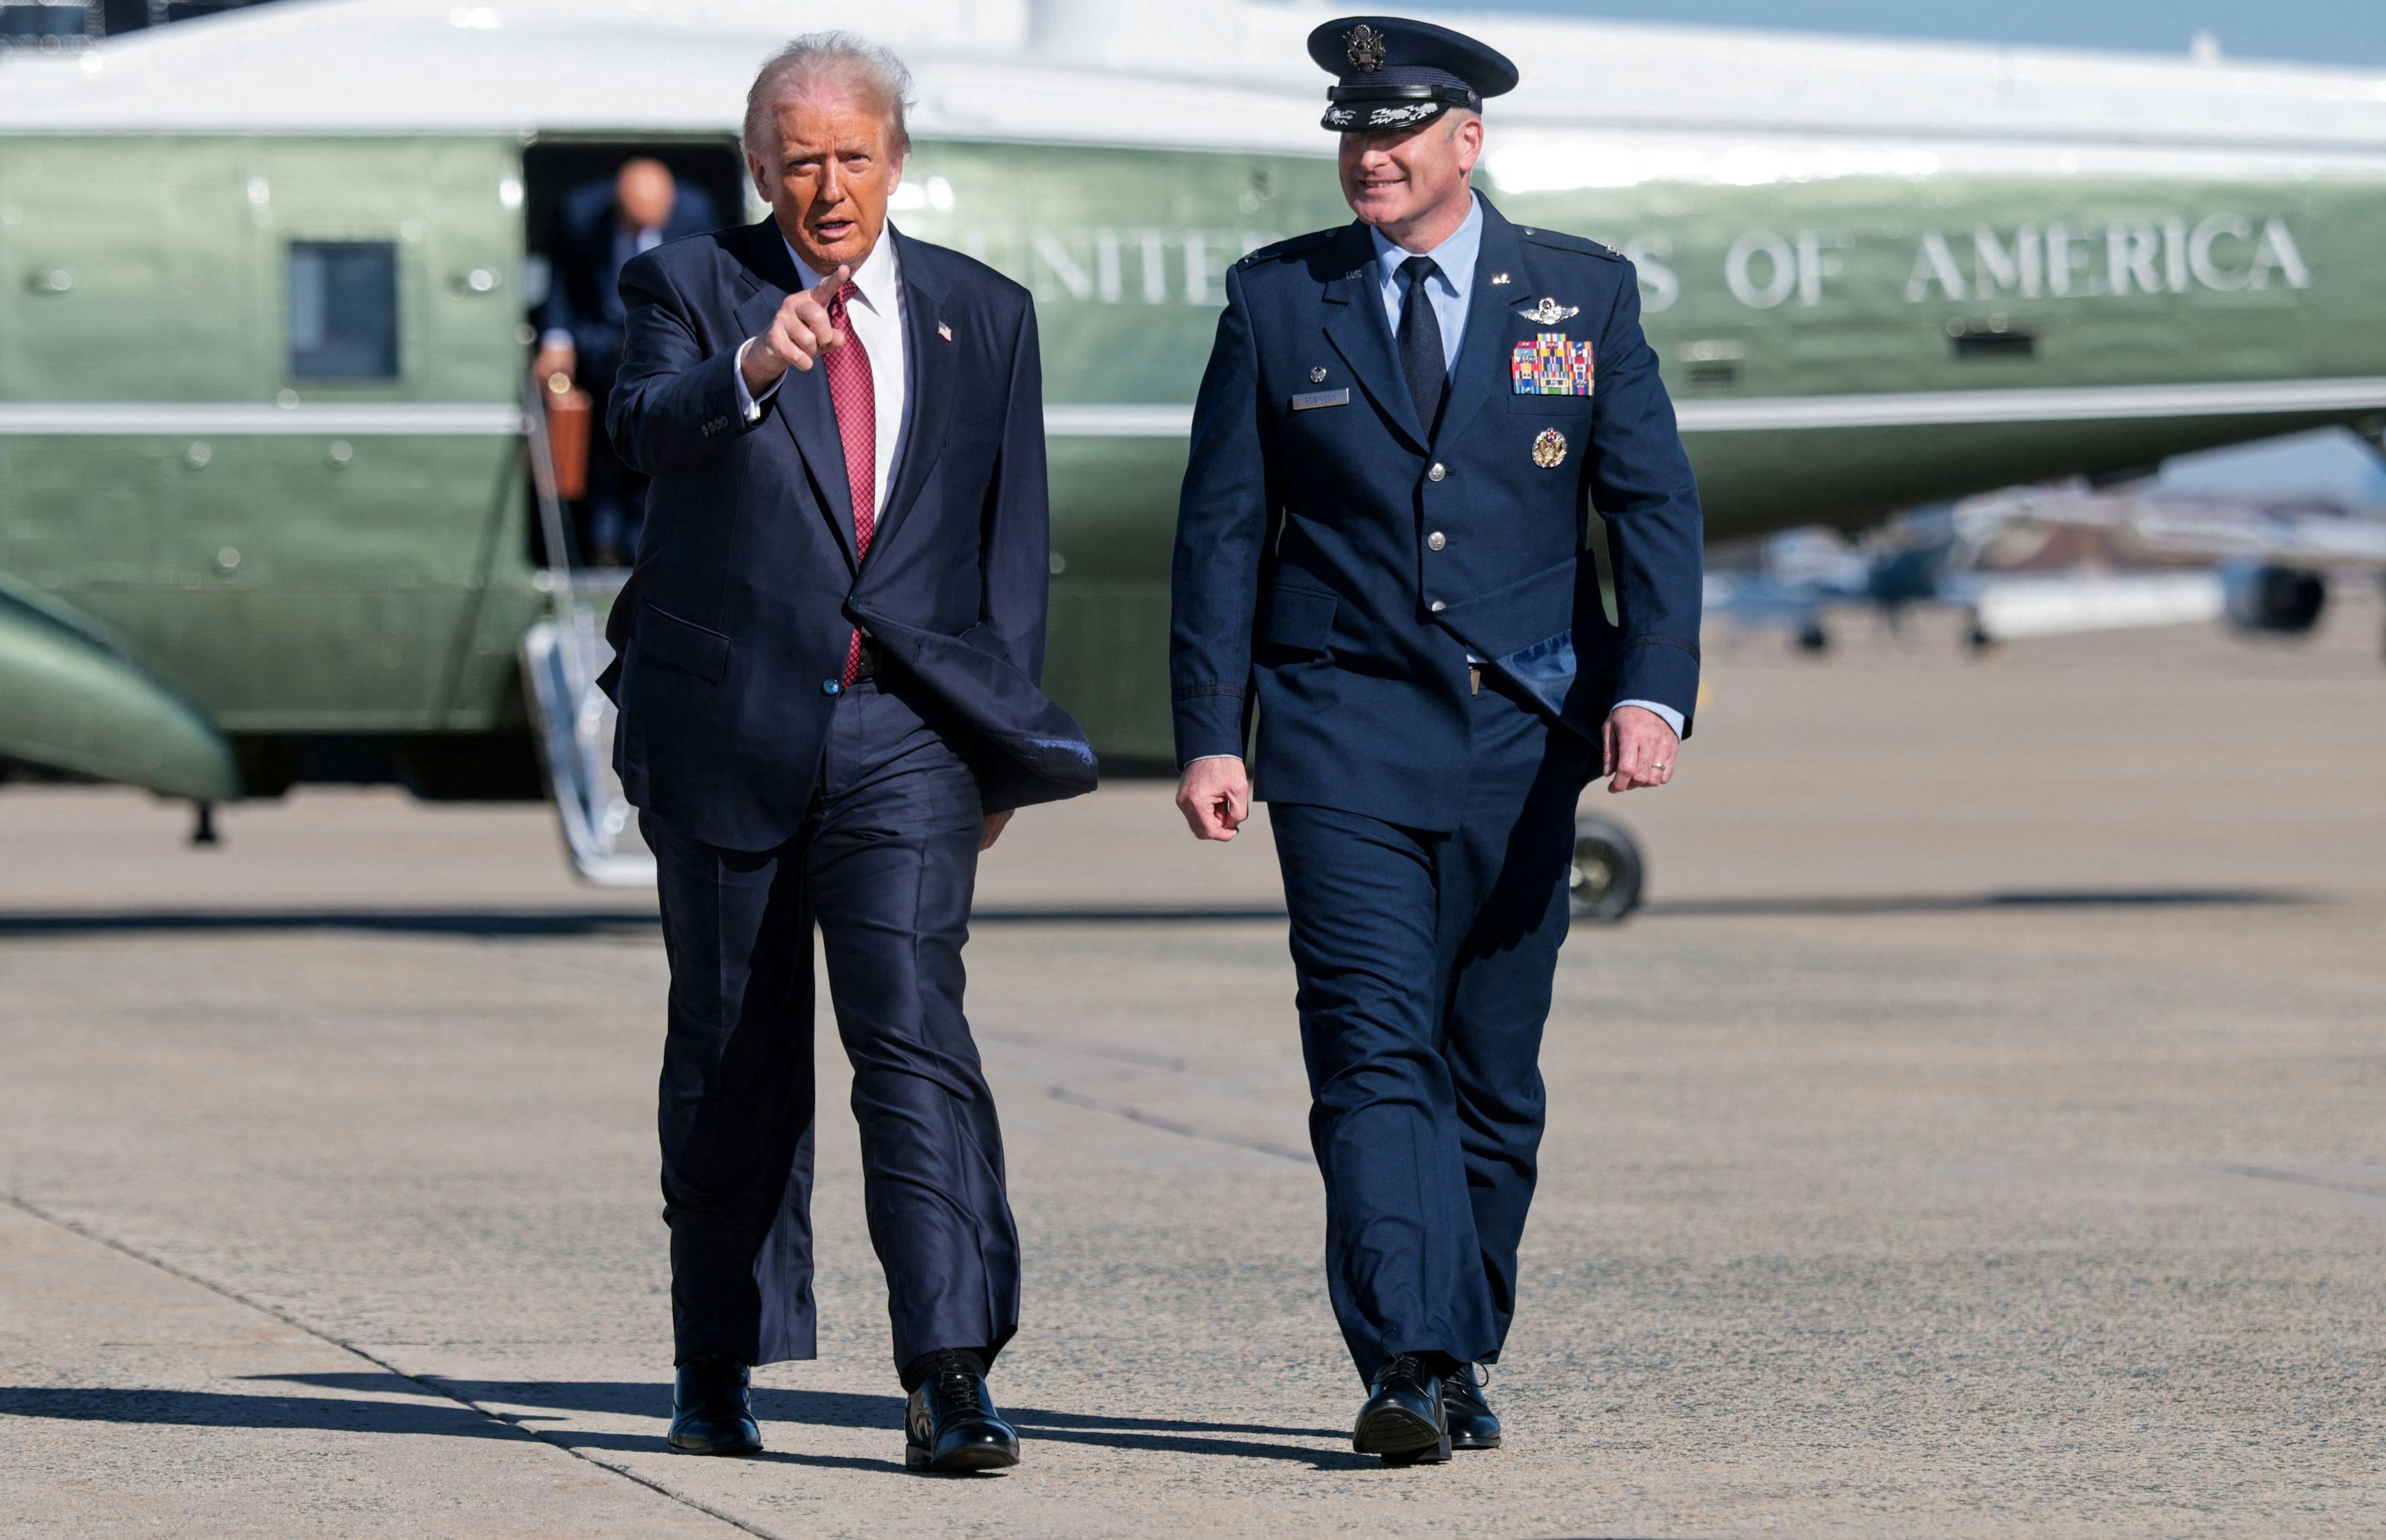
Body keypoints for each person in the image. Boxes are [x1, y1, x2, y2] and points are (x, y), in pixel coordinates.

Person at [1168, 14, 1703, 1467]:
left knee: (1488, 1069)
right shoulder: (1279, 301)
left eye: (1398, 131)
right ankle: (1406, 1355)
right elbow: (1222, 530)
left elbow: (1651, 504)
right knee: (1370, 1047)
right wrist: (1211, 731)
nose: (1370, 155)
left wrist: (1650, 689)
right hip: (1338, 727)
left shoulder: (1580, 295)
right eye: (1352, 131)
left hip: (1524, 729)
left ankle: (1462, 1345)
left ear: (1467, 141)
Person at [603, 31, 1096, 1474]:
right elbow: (639, 430)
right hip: (728, 725)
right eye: (801, 160)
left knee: (914, 1041)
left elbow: (1009, 550)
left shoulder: (982, 314)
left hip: (907, 736)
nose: (829, 187)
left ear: (898, 159)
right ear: (760, 169)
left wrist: (998, 747)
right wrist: (754, 365)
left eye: (854, 156)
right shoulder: (687, 287)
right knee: (732, 1055)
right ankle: (717, 1362)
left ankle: (948, 1372)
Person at [534, 157, 720, 565]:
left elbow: (710, 284)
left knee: (658, 445)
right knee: (604, 446)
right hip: (602, 342)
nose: (642, 232)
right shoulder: (581, 213)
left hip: (670, 347)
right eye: (634, 223)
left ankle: (646, 546)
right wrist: (557, 340)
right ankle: (603, 546)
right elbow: (563, 283)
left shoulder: (695, 212)